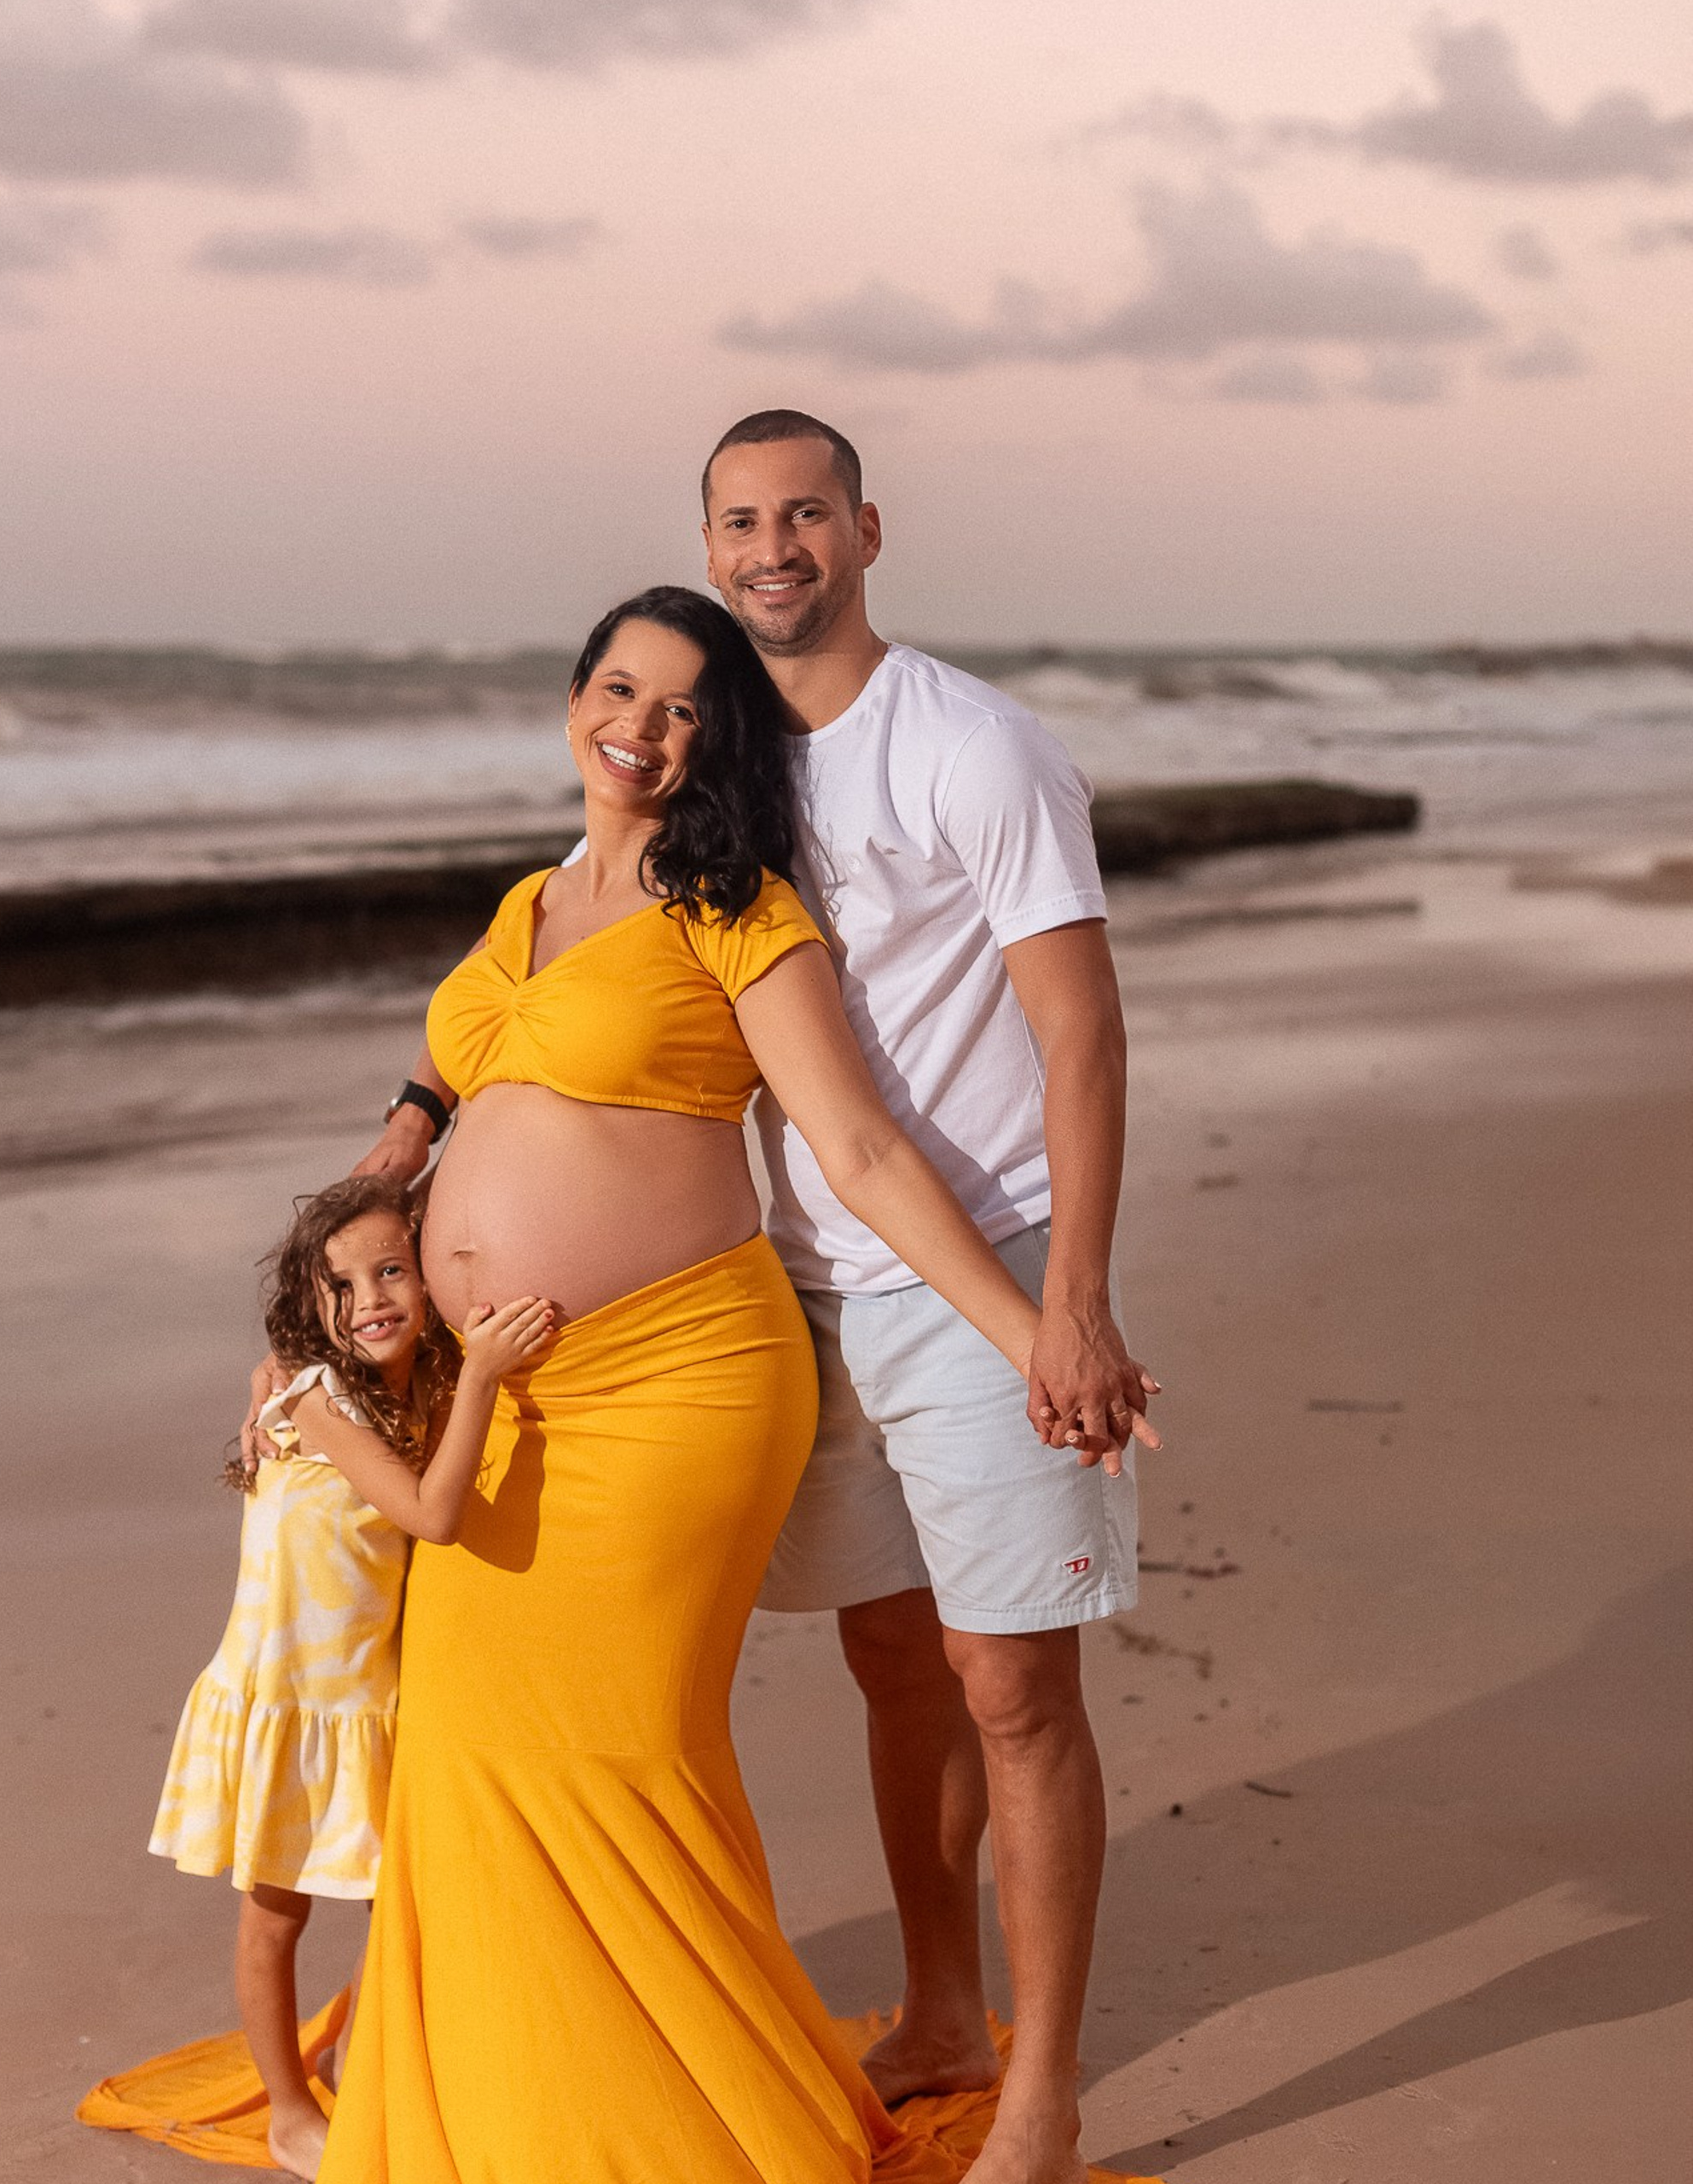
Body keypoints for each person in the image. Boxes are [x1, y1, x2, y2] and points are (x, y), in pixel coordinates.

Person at [357, 414, 1150, 2184]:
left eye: (803, 511)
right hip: (768, 1287)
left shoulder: (957, 755)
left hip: (942, 1263)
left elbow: (1065, 1037)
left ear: (864, 528)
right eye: (738, 517)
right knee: (885, 1656)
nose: (771, 542)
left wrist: (1063, 1312)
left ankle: (1041, 2089)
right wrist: (394, 1153)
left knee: (1002, 1683)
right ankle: (940, 2004)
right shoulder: (680, 810)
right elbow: (488, 1029)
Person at [148, 1175, 555, 2180]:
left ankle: (356, 2054)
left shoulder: (411, 1385)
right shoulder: (322, 1398)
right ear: (309, 1303)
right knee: (276, 1914)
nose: (370, 1297)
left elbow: (277, 1364)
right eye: (340, 1284)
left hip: (367, 1702)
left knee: (394, 1901)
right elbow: (429, 1514)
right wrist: (488, 1379)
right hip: (290, 1700)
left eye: (392, 1270)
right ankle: (290, 2110)